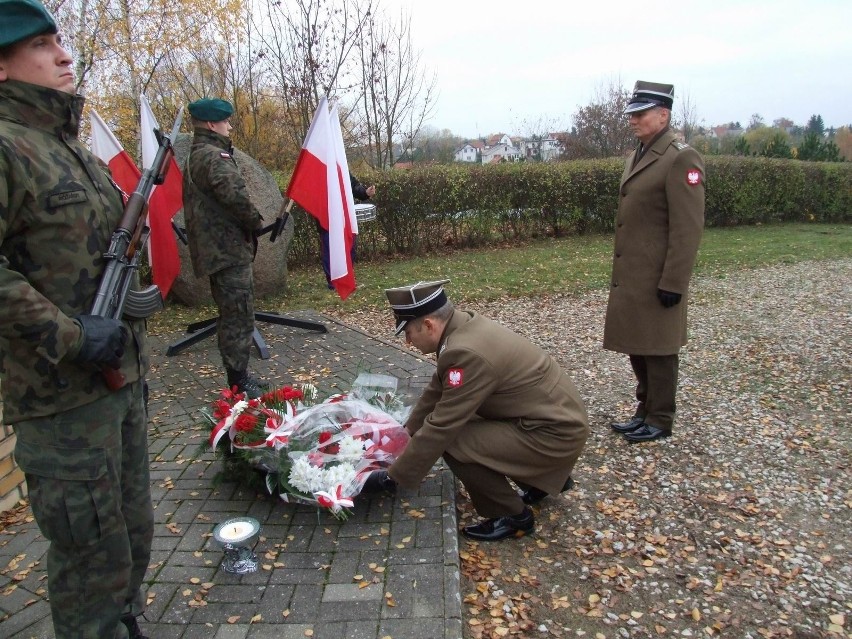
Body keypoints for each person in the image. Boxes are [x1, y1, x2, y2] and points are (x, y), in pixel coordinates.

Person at [0, 1, 153, 637]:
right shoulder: (7, 149)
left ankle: (124, 622)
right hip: (59, 400)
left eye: (59, 40)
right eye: (41, 45)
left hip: (116, 381)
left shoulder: (72, 151)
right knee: (90, 555)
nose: (64, 55)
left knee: (133, 532)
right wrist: (69, 335)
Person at [378, 280, 589, 541]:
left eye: (409, 332)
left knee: (453, 441)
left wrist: (393, 476)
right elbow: (439, 389)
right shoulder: (463, 326)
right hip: (551, 418)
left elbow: (442, 425)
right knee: (467, 421)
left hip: (553, 433)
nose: (408, 341)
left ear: (429, 324)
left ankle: (513, 516)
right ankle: (538, 482)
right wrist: (405, 432)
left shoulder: (465, 351)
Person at [604, 81, 705, 443]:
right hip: (633, 275)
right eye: (631, 113)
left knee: (659, 349)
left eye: (640, 113)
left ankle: (661, 418)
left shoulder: (680, 158)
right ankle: (644, 410)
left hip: (659, 276)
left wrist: (674, 282)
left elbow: (687, 228)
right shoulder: (639, 154)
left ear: (663, 115)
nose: (632, 119)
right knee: (637, 344)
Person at [183, 97, 265, 398]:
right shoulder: (215, 155)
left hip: (217, 250)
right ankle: (239, 382)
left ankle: (239, 376)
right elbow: (234, 196)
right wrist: (255, 221)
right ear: (210, 124)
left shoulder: (197, 154)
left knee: (232, 312)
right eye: (225, 121)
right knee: (238, 315)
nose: (229, 126)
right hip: (227, 250)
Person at [318, 173, 375, 289]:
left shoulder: (340, 164)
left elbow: (353, 186)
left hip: (344, 218)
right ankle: (334, 283)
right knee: (331, 251)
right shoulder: (318, 168)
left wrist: (365, 192)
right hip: (326, 219)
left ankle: (346, 280)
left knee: (349, 249)